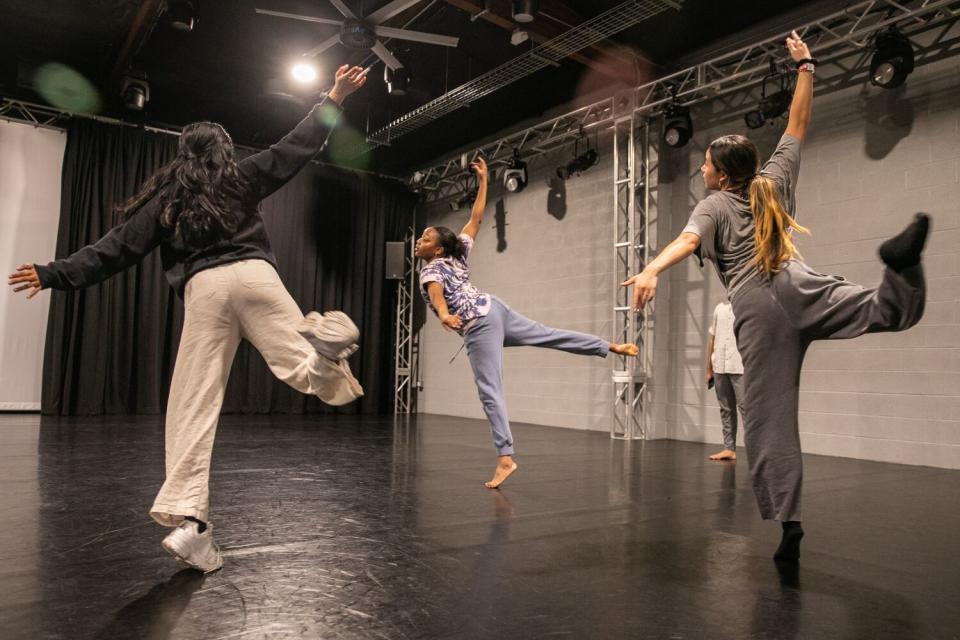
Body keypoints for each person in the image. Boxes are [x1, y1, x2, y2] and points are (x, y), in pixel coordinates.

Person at [8, 64, 370, 573]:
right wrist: (333, 96)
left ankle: (191, 525)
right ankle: (326, 346)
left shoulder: (167, 203)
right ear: (224, 153)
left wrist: (54, 274)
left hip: (206, 291)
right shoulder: (242, 178)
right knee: (299, 366)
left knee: (192, 406)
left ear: (184, 156)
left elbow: (114, 250)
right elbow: (296, 147)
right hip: (256, 277)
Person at [621, 31, 928, 562]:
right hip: (798, 280)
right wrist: (806, 66)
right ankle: (900, 268)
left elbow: (687, 240)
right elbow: (797, 124)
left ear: (720, 174)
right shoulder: (772, 181)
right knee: (883, 310)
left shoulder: (713, 205)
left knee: (768, 416)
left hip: (757, 307)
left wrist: (650, 269)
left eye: (706, 166)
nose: (700, 170)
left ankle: (790, 524)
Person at [416, 156, 640, 489]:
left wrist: (446, 315)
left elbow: (436, 295)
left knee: (490, 391)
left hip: (478, 323)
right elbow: (476, 218)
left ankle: (505, 459)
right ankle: (609, 346)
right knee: (549, 335)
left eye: (425, 238)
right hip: (496, 308)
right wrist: (484, 181)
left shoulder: (431, 270)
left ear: (436, 250)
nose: (419, 240)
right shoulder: (457, 254)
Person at [706, 301, 744, 461]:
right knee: (725, 408)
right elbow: (712, 339)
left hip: (740, 365)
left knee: (746, 409)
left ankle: (758, 451)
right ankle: (729, 448)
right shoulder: (719, 308)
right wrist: (709, 367)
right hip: (720, 365)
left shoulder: (745, 305)